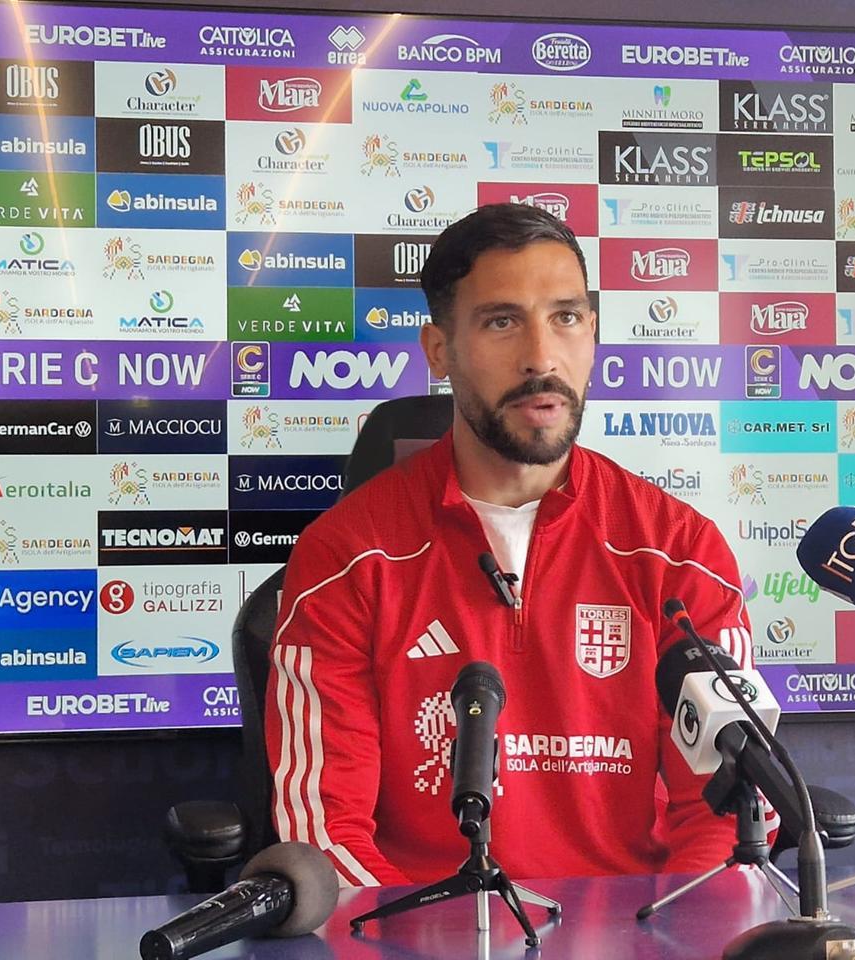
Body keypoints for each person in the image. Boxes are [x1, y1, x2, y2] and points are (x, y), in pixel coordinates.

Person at [265, 203, 773, 887]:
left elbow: (730, 819)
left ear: (591, 332)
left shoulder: (680, 553)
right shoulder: (346, 557)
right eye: (502, 322)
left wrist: (669, 940)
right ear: (439, 350)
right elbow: (325, 840)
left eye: (565, 317)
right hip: (420, 939)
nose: (541, 357)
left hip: (640, 939)